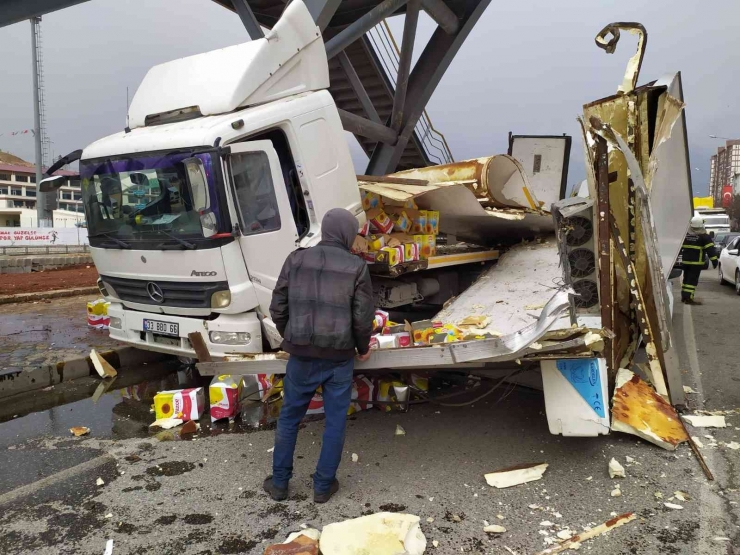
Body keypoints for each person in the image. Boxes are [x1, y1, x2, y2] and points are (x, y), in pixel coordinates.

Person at [264, 208, 374, 503]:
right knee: (335, 420)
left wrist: (294, 335)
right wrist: (363, 348)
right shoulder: (356, 267)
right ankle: (323, 487)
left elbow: (278, 307)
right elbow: (363, 318)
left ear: (325, 231)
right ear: (348, 234)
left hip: (301, 357)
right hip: (339, 357)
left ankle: (279, 484)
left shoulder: (296, 259)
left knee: (289, 418)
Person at [680, 216, 718, 305]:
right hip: (696, 263)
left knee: (686, 280)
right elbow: (711, 250)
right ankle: (689, 298)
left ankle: (684, 296)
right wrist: (714, 261)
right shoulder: (704, 237)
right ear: (701, 225)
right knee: (692, 281)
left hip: (685, 262)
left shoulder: (686, 235)